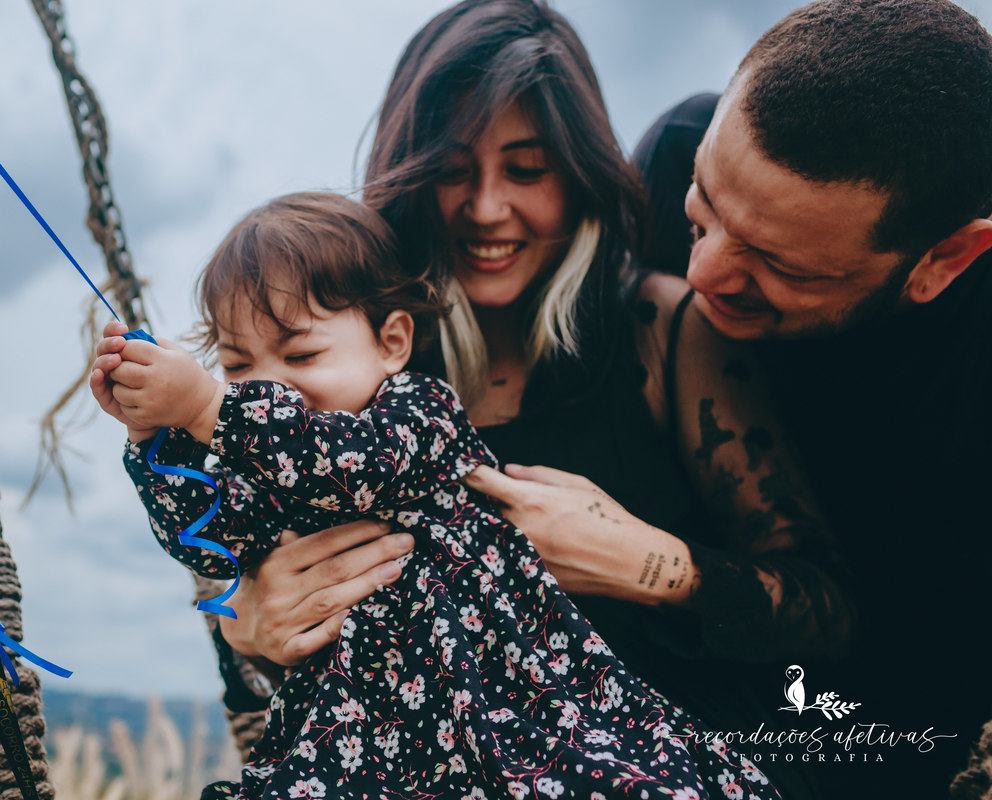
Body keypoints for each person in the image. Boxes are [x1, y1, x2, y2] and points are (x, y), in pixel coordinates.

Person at [182, 1, 851, 797]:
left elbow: (829, 612)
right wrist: (244, 621)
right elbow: (236, 554)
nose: (487, 207)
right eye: (452, 171)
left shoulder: (660, 330)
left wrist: (648, 563)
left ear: (578, 176)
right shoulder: (352, 364)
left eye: (527, 170)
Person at [90, 191, 781, 799]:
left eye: (299, 357)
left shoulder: (419, 415)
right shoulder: (258, 454)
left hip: (501, 697)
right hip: (359, 727)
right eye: (239, 367)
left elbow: (350, 467)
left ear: (391, 342)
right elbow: (207, 531)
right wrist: (159, 440)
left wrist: (211, 405)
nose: (266, 387)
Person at [631, 1, 992, 797]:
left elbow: (915, 719)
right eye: (705, 204)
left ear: (945, 260)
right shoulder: (668, 154)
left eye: (780, 265)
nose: (701, 278)